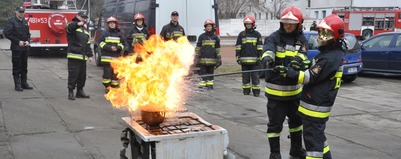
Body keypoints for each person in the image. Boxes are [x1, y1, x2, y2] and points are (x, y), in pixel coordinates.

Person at [274, 14, 346, 159]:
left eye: (325, 33)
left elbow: (308, 77)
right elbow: (315, 68)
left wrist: (290, 72)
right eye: (320, 32)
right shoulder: (329, 54)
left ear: (335, 36)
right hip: (315, 107)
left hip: (315, 109)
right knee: (319, 141)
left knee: (313, 147)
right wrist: (304, 64)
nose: (321, 36)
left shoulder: (330, 58)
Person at [260, 6, 309, 159]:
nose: (287, 25)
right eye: (285, 22)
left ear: (299, 24)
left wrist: (296, 63)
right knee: (275, 126)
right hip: (275, 95)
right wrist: (268, 59)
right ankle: (274, 154)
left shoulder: (301, 39)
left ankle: (295, 149)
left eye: (291, 23)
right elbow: (267, 49)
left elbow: (303, 54)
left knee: (296, 123)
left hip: (294, 93)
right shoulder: (274, 37)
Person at [4, 6, 33, 91]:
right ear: (16, 11)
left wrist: (28, 41)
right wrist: (18, 42)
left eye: (22, 12)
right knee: (17, 66)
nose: (21, 13)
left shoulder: (25, 21)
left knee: (24, 66)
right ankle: (17, 84)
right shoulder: (11, 21)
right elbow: (7, 34)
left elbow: (28, 34)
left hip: (25, 48)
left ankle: (24, 83)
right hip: (16, 48)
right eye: (20, 11)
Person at [66, 11, 93, 100]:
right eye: (82, 17)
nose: (84, 19)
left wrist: (90, 55)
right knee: (73, 74)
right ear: (77, 16)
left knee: (82, 75)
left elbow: (88, 43)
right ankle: (70, 92)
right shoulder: (72, 25)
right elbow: (69, 28)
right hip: (74, 55)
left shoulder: (85, 29)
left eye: (85, 18)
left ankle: (80, 91)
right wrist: (77, 24)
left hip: (83, 56)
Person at [235, 15, 263, 97]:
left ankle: (256, 92)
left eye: (250, 24)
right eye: (247, 24)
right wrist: (237, 56)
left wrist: (259, 57)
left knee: (255, 77)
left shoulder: (257, 34)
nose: (248, 25)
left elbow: (260, 47)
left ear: (253, 24)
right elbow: (238, 46)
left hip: (255, 61)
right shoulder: (241, 35)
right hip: (244, 61)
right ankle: (246, 91)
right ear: (245, 25)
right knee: (245, 77)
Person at [99, 16, 126, 93]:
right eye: (110, 23)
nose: (112, 25)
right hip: (106, 59)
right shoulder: (104, 33)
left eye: (113, 23)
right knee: (107, 75)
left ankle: (114, 88)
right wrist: (109, 47)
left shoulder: (119, 34)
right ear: (108, 24)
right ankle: (107, 87)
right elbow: (100, 43)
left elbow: (123, 44)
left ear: (116, 24)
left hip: (116, 59)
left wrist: (118, 48)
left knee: (115, 75)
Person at [194, 19, 221, 90]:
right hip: (202, 61)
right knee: (203, 74)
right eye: (207, 26)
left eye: (210, 26)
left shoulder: (215, 37)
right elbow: (198, 48)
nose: (209, 28)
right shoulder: (201, 37)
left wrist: (219, 57)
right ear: (205, 27)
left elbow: (217, 49)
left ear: (212, 27)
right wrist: (196, 57)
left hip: (212, 61)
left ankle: (210, 86)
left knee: (210, 75)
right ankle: (203, 86)